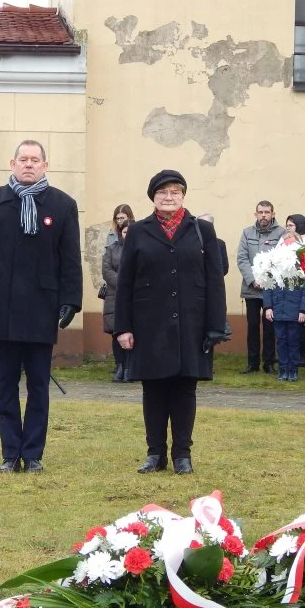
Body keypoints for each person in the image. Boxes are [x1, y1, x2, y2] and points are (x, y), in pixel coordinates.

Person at [0, 139, 82, 473]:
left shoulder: (62, 205)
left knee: (38, 386)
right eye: (23, 159)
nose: (29, 165)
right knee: (5, 386)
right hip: (1, 305)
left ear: (45, 165)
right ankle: (9, 453)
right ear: (12, 163)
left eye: (35, 160)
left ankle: (32, 454)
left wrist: (71, 300)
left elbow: (70, 258)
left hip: (42, 307)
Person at [114, 170, 227, 475]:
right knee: (153, 390)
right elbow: (124, 283)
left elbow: (215, 280)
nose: (169, 197)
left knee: (184, 390)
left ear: (183, 196)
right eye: (163, 192)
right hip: (149, 324)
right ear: (153, 196)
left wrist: (216, 325)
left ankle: (182, 454)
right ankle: (155, 453)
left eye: (175, 192)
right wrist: (123, 327)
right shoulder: (139, 231)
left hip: (191, 324)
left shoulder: (202, 230)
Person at [236, 201, 283, 374]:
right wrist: (253, 280)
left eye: (267, 212)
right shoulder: (247, 233)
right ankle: (252, 363)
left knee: (270, 327)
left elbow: (283, 258)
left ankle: (269, 363)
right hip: (251, 290)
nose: (264, 215)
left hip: (272, 289)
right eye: (260, 212)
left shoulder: (281, 233)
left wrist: (269, 279)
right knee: (253, 326)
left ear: (273, 213)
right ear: (255, 214)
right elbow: (242, 258)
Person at [262, 215, 305, 382]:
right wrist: (268, 307)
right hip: (277, 308)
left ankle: (293, 370)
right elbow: (268, 286)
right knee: (281, 341)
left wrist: (303, 310)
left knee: (294, 341)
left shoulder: (301, 265)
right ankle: (283, 370)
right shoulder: (274, 263)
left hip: (295, 309)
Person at [102, 204, 133, 382]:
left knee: (132, 332)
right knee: (116, 332)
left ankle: (130, 367)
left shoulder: (139, 248)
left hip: (134, 296)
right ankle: (120, 366)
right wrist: (122, 283)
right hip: (115, 295)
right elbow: (106, 270)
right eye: (123, 231)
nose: (126, 235)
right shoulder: (112, 248)